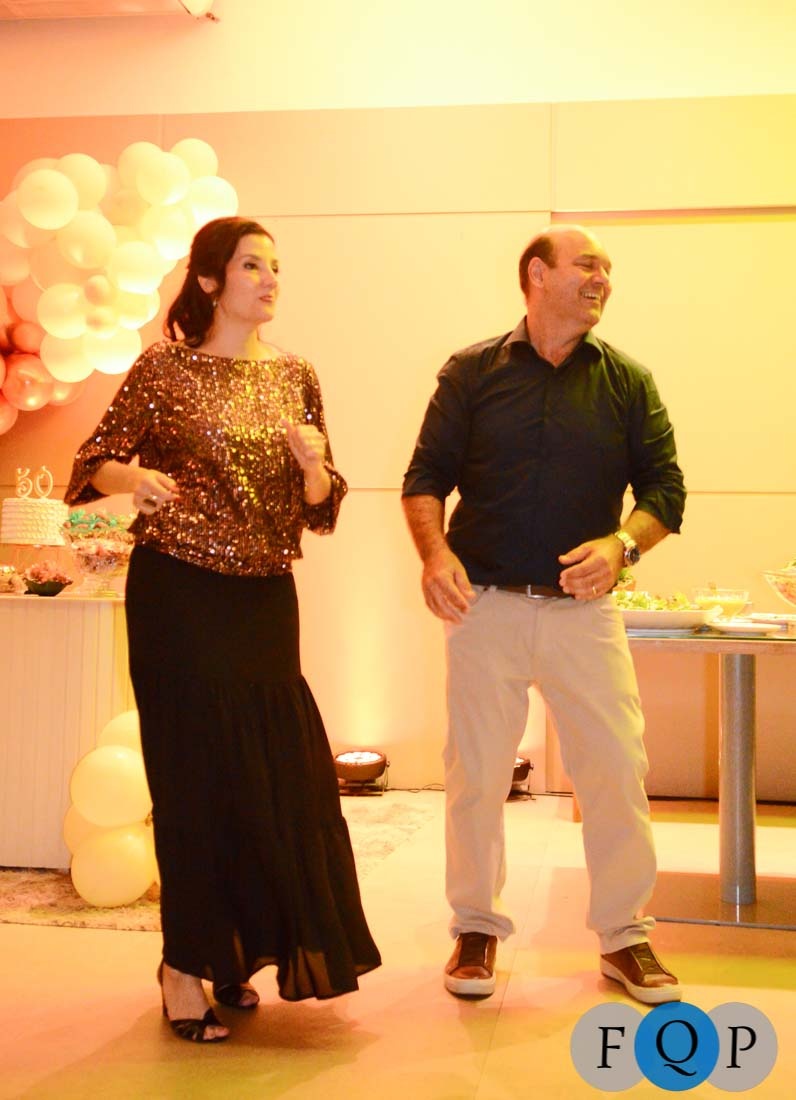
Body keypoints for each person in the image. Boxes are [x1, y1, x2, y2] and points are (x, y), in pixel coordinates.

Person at [66, 216, 381, 1043]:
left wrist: (313, 468)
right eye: (251, 266)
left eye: (276, 266)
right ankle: (184, 966)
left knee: (271, 778)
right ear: (210, 281)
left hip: (265, 597)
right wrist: (135, 477)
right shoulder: (164, 368)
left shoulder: (296, 375)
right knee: (195, 779)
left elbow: (323, 510)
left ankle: (235, 953)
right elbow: (90, 462)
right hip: (178, 594)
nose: (271, 280)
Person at [401, 224, 686, 1006]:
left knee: (616, 771)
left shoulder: (628, 382)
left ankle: (625, 937)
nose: (602, 279)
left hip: (584, 613)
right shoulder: (470, 373)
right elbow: (425, 478)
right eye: (587, 264)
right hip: (484, 607)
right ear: (537, 273)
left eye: (608, 269)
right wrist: (435, 554)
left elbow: (666, 492)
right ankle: (476, 929)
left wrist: (622, 546)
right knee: (475, 776)